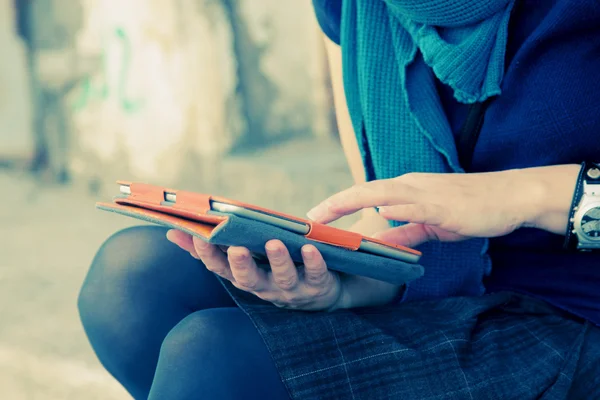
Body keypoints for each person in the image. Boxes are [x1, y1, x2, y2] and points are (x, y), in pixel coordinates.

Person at [77, 0, 600, 399]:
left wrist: (521, 194)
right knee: (131, 281)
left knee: (212, 358)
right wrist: (349, 282)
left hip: (576, 312)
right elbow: (388, 215)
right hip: (437, 285)